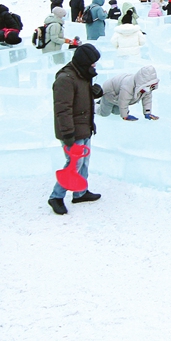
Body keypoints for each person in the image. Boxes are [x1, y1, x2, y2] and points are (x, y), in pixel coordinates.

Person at [48, 44, 103, 215]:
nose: (94, 66)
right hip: (72, 131)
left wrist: (94, 93)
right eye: (92, 63)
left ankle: (80, 192)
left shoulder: (82, 74)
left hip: (84, 127)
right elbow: (62, 109)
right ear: (84, 62)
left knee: (84, 163)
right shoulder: (65, 79)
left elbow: (80, 98)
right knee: (74, 164)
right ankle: (56, 197)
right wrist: (68, 134)